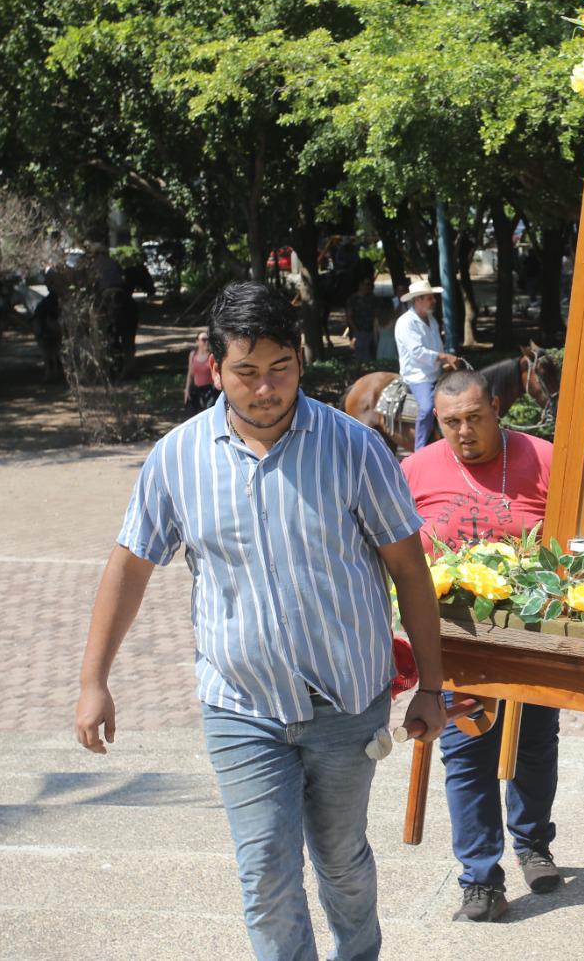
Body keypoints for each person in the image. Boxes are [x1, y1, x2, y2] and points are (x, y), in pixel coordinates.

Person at [74, 281, 447, 961]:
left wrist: (431, 684)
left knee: (341, 862)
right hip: (240, 706)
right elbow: (129, 567)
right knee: (266, 872)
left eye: (280, 369)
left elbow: (409, 570)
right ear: (213, 366)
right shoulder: (177, 459)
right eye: (246, 372)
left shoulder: (353, 450)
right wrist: (93, 680)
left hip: (346, 701)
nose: (266, 388)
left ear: (301, 360)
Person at [401, 371, 584, 923]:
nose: (464, 432)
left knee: (536, 744)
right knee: (467, 757)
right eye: (451, 422)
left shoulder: (544, 457)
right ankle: (480, 878)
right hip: (457, 649)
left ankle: (533, 843)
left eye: (474, 417)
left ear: (497, 407)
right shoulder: (415, 470)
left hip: (534, 638)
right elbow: (393, 552)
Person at [395, 278, 460, 450]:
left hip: (434, 372)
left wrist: (443, 361)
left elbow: (436, 345)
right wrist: (443, 357)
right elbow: (417, 352)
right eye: (430, 298)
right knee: (427, 407)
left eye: (432, 297)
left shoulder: (431, 319)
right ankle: (420, 449)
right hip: (418, 376)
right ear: (418, 300)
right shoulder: (405, 322)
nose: (434, 301)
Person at [181, 330, 219, 415]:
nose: (206, 342)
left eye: (208, 339)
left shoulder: (212, 356)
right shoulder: (192, 354)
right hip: (196, 389)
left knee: (208, 414)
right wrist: (187, 389)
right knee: (192, 415)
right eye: (204, 339)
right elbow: (190, 374)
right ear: (197, 341)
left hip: (209, 390)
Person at [347, 273, 378, 362]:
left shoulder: (372, 298)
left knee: (371, 356)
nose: (368, 286)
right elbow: (349, 317)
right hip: (359, 331)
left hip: (372, 331)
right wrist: (356, 331)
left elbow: (376, 314)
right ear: (360, 285)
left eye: (370, 284)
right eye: (366, 284)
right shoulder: (352, 299)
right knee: (360, 356)